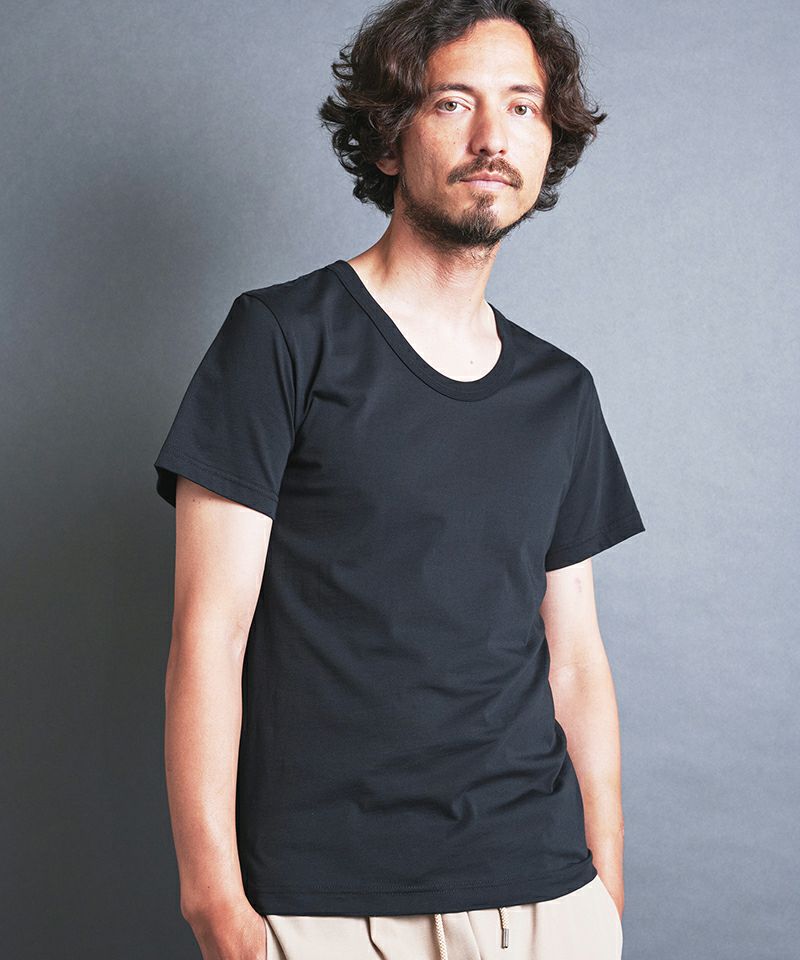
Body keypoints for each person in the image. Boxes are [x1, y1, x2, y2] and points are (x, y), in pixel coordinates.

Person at [153, 1, 646, 957]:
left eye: (522, 107)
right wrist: (213, 898)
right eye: (453, 102)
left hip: (546, 896)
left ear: (548, 143)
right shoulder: (282, 339)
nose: (493, 136)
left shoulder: (560, 392)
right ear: (388, 138)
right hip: (328, 904)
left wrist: (606, 883)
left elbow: (577, 661)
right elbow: (209, 634)